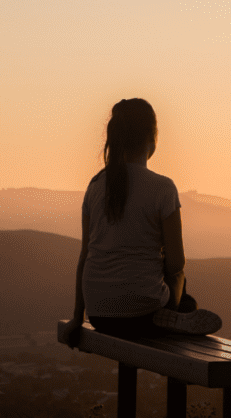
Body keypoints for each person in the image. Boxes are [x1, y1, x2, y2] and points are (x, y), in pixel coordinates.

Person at [58, 98, 222, 347]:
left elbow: (85, 257)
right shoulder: (163, 188)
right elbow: (177, 262)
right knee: (184, 291)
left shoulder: (95, 186)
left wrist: (77, 318)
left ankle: (168, 314)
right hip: (143, 313)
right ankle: (175, 315)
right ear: (152, 137)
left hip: (100, 315)